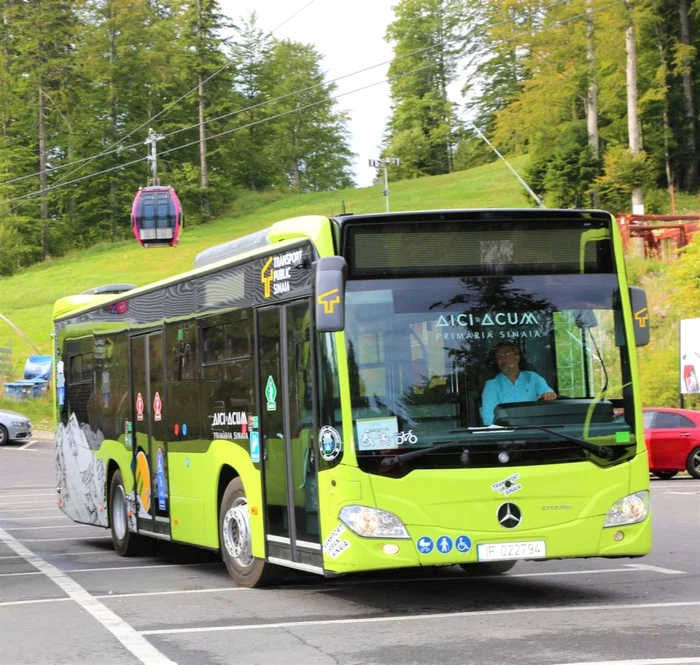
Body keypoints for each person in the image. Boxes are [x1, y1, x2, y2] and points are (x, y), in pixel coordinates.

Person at [481, 342, 557, 426]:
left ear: (517, 358)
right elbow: (488, 420)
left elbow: (547, 393)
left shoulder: (532, 377)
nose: (501, 360)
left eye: (506, 355)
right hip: (507, 435)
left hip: (535, 432)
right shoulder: (492, 385)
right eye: (499, 357)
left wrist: (548, 395)